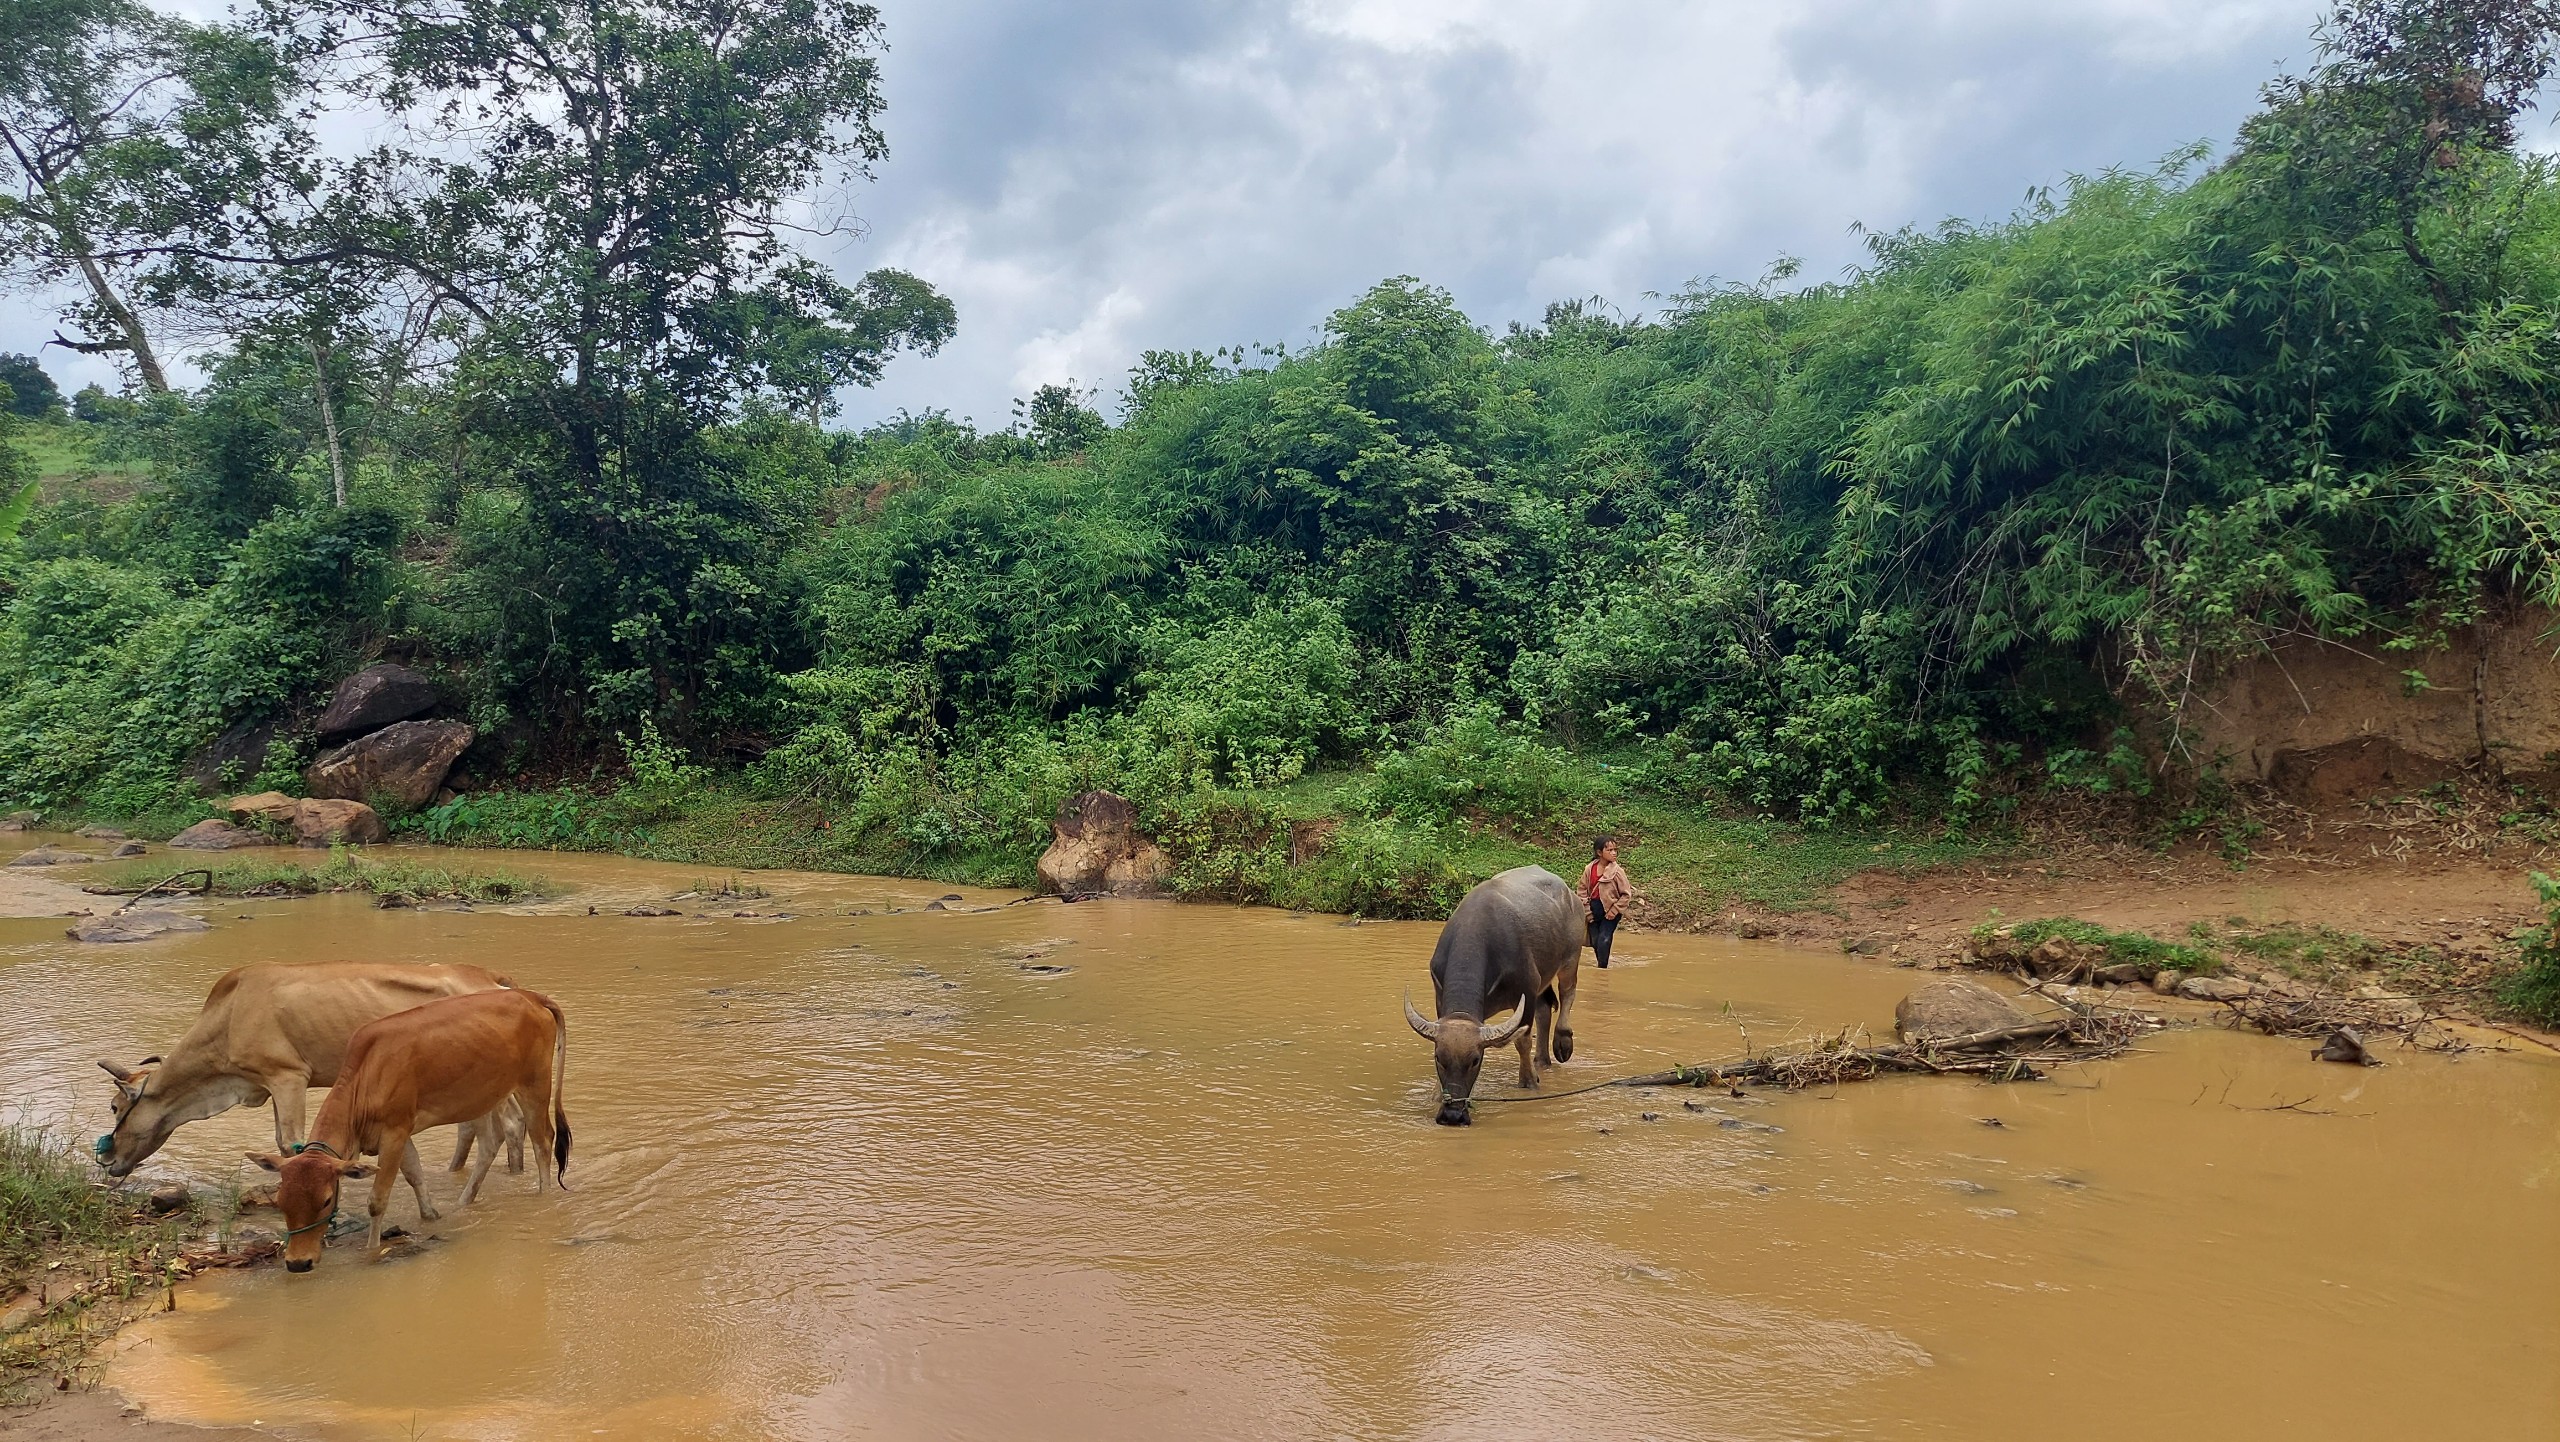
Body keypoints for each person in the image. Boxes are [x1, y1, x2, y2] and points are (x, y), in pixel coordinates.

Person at [1581, 836, 1633, 969]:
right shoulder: (1589, 869)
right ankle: (1602, 967)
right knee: (1595, 941)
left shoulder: (1617, 872)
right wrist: (1587, 912)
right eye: (1610, 850)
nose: (1614, 853)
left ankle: (1602, 969)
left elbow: (1626, 894)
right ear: (1599, 853)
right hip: (1593, 909)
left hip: (1611, 911)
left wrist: (1614, 911)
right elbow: (1582, 890)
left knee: (1604, 938)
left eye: (1615, 850)